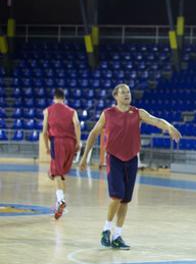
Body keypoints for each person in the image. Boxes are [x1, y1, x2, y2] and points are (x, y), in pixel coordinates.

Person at [79, 83, 181, 249]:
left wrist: (169, 127)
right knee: (117, 196)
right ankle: (106, 229)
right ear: (116, 96)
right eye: (123, 92)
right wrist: (84, 157)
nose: (127, 95)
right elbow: (93, 133)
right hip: (114, 159)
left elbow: (156, 121)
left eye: (128, 92)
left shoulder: (138, 113)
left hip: (132, 159)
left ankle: (118, 235)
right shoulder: (108, 114)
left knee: (125, 200)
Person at [41, 88, 81, 220]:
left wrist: (47, 147)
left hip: (57, 142)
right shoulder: (72, 111)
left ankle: (60, 201)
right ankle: (60, 200)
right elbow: (77, 124)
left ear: (54, 98)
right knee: (61, 174)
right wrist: (78, 142)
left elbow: (45, 131)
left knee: (56, 173)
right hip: (70, 142)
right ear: (64, 99)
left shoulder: (48, 110)